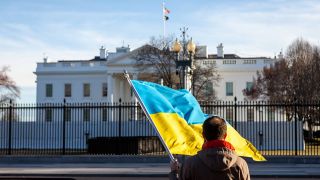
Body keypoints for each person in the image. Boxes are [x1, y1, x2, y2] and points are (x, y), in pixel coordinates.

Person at [169, 116, 250, 180]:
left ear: (203, 135)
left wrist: (174, 172)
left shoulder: (190, 164)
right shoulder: (240, 164)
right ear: (225, 136)